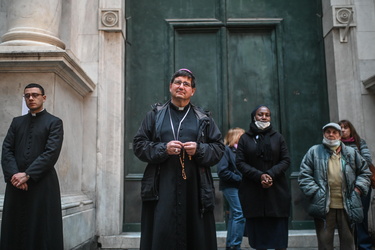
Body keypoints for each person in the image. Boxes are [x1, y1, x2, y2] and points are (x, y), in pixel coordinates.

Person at [133, 68, 225, 250]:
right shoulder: (154, 115)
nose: (181, 86)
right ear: (170, 87)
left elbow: (219, 148)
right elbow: (138, 145)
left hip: (195, 187)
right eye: (178, 82)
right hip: (162, 186)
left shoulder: (204, 118)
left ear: (193, 91)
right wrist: (163, 148)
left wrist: (199, 149)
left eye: (186, 84)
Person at [1, 83, 64, 249]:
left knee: (42, 228)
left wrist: (27, 175)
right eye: (27, 95)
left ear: (44, 98)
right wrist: (14, 175)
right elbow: (6, 149)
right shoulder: (17, 122)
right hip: (16, 184)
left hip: (42, 184)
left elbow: (51, 153)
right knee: (15, 227)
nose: (31, 98)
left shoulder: (54, 123)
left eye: (35, 95)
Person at [298, 122, 371, 250]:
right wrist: (316, 193)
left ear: (339, 136)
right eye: (328, 132)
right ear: (324, 134)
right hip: (323, 205)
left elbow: (365, 172)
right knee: (325, 244)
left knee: (348, 243)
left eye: (334, 132)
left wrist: (358, 189)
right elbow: (304, 175)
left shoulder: (351, 152)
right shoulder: (314, 151)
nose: (331, 134)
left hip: (347, 204)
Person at [236, 105, 291, 250]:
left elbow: (286, 160)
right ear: (254, 116)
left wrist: (270, 174)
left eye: (267, 115)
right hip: (253, 192)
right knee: (259, 240)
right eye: (260, 114)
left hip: (277, 191)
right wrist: (260, 176)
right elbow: (240, 162)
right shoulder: (245, 138)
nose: (264, 117)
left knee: (278, 238)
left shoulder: (278, 137)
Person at [339, 119, 373, 250]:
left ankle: (364, 245)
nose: (342, 130)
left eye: (345, 128)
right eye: (340, 128)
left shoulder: (359, 143)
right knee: (346, 219)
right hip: (343, 187)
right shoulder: (335, 145)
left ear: (350, 129)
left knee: (361, 217)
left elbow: (367, 160)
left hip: (362, 185)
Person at [217, 127, 246, 250]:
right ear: (235, 137)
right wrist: (240, 179)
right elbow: (222, 171)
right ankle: (235, 245)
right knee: (240, 214)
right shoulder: (226, 150)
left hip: (238, 187)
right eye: (242, 136)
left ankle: (230, 245)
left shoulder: (240, 151)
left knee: (234, 215)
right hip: (230, 187)